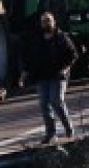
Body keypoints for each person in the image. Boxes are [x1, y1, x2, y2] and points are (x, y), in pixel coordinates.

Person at [21, 12, 78, 144]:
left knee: (56, 101)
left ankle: (68, 128)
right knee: (44, 104)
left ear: (54, 22)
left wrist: (65, 68)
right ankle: (50, 134)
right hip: (42, 77)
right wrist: (25, 72)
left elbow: (73, 54)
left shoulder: (61, 37)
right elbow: (30, 58)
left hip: (58, 76)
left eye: (48, 21)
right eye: (44, 21)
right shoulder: (37, 39)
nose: (46, 23)